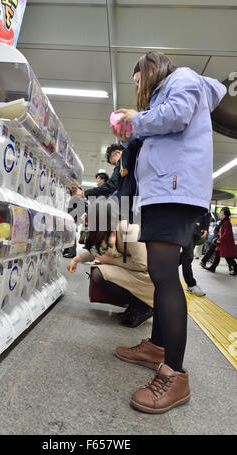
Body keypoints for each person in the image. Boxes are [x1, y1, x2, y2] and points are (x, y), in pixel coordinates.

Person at [111, 51, 226, 414]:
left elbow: (176, 116)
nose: (138, 88)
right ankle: (158, 347)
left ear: (150, 69)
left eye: (137, 81)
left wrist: (135, 119)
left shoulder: (184, 78)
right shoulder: (167, 90)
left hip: (174, 189)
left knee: (163, 275)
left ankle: (174, 374)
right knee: (162, 275)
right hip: (164, 190)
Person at [67, 198, 154, 328]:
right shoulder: (110, 232)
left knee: (99, 274)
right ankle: (135, 306)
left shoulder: (128, 229)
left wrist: (111, 261)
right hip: (136, 274)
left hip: (148, 279)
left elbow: (143, 264)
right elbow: (98, 252)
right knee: (99, 271)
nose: (88, 220)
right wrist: (77, 259)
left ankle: (144, 306)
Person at [179, 212, 210, 297]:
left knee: (186, 255)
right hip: (180, 225)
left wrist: (205, 227)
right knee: (187, 255)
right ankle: (191, 284)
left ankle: (165, 270)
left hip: (195, 229)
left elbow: (207, 210)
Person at [205, 207, 237, 275]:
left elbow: (226, 233)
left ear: (224, 215)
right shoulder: (224, 221)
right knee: (218, 254)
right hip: (223, 243)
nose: (219, 214)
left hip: (225, 243)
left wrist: (219, 240)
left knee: (229, 258)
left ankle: (236, 269)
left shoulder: (226, 222)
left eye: (221, 213)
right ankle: (213, 267)